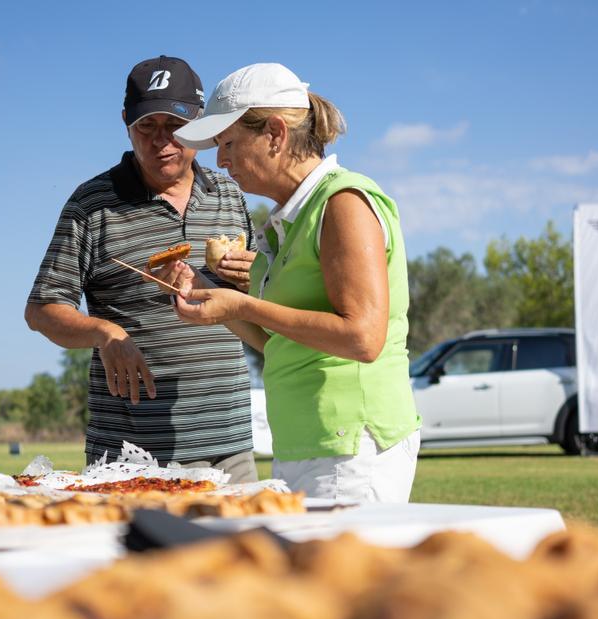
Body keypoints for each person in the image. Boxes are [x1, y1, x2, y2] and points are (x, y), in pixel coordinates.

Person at [165, 63, 420, 502]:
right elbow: (279, 343)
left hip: (351, 448)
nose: (220, 162)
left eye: (227, 144)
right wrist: (214, 302)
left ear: (276, 134)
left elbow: (363, 337)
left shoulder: (343, 203)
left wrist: (241, 305)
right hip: (311, 443)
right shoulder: (291, 219)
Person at [24, 56, 258, 480]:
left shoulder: (230, 192)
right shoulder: (91, 204)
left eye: (175, 125)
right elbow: (41, 309)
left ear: (200, 121)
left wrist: (252, 279)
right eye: (145, 127)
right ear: (125, 123)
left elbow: (264, 298)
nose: (160, 141)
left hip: (232, 445)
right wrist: (105, 333)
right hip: (132, 458)